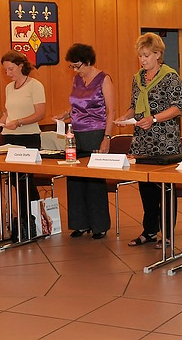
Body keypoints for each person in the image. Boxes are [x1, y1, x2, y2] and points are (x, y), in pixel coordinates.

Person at [117, 33, 182, 249]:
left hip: (164, 141)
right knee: (146, 188)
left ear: (158, 54)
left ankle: (167, 234)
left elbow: (177, 108)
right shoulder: (137, 78)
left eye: (146, 55)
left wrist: (153, 118)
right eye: (140, 56)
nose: (143, 60)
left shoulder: (171, 77)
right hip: (142, 140)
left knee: (165, 189)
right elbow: (134, 105)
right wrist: (125, 117)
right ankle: (149, 231)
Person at [55, 44, 115, 240]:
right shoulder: (77, 79)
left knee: (94, 180)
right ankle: (79, 223)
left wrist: (106, 138)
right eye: (72, 66)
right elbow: (76, 104)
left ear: (88, 62)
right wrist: (65, 114)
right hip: (76, 133)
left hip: (95, 133)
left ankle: (99, 225)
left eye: (77, 66)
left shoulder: (104, 79)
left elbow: (111, 111)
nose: (75, 70)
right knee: (74, 178)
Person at [0, 51, 46, 235]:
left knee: (24, 180)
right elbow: (8, 113)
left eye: (10, 69)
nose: (8, 73)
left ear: (20, 66)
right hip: (9, 137)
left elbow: (40, 113)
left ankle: (30, 218)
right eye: (5, 70)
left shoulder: (35, 85)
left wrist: (18, 122)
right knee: (14, 179)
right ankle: (27, 218)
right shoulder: (9, 88)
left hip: (28, 137)